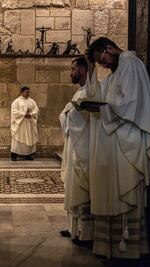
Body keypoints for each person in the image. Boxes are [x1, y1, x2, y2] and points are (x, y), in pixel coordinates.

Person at [85, 37, 150, 262]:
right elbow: (99, 95)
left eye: (102, 59)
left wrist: (103, 110)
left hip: (127, 143)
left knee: (123, 191)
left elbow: (129, 104)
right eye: (99, 62)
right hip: (116, 143)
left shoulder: (130, 64)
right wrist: (90, 70)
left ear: (109, 49)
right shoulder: (117, 71)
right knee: (111, 191)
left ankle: (126, 248)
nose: (103, 64)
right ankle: (113, 247)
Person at [59, 57, 94, 247]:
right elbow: (69, 114)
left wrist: (68, 115)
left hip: (83, 146)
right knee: (72, 185)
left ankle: (85, 232)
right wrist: (67, 115)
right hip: (74, 143)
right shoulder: (79, 92)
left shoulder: (89, 91)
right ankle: (73, 227)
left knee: (81, 187)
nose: (71, 72)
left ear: (82, 69)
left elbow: (81, 118)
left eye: (73, 69)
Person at [10, 86, 39, 161]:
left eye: (29, 92)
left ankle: (28, 155)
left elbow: (36, 110)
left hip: (29, 123)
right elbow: (14, 111)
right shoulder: (16, 101)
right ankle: (14, 155)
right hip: (20, 124)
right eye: (27, 92)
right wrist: (23, 114)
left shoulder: (32, 101)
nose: (28, 93)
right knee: (18, 139)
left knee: (29, 138)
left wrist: (31, 114)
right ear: (22, 92)